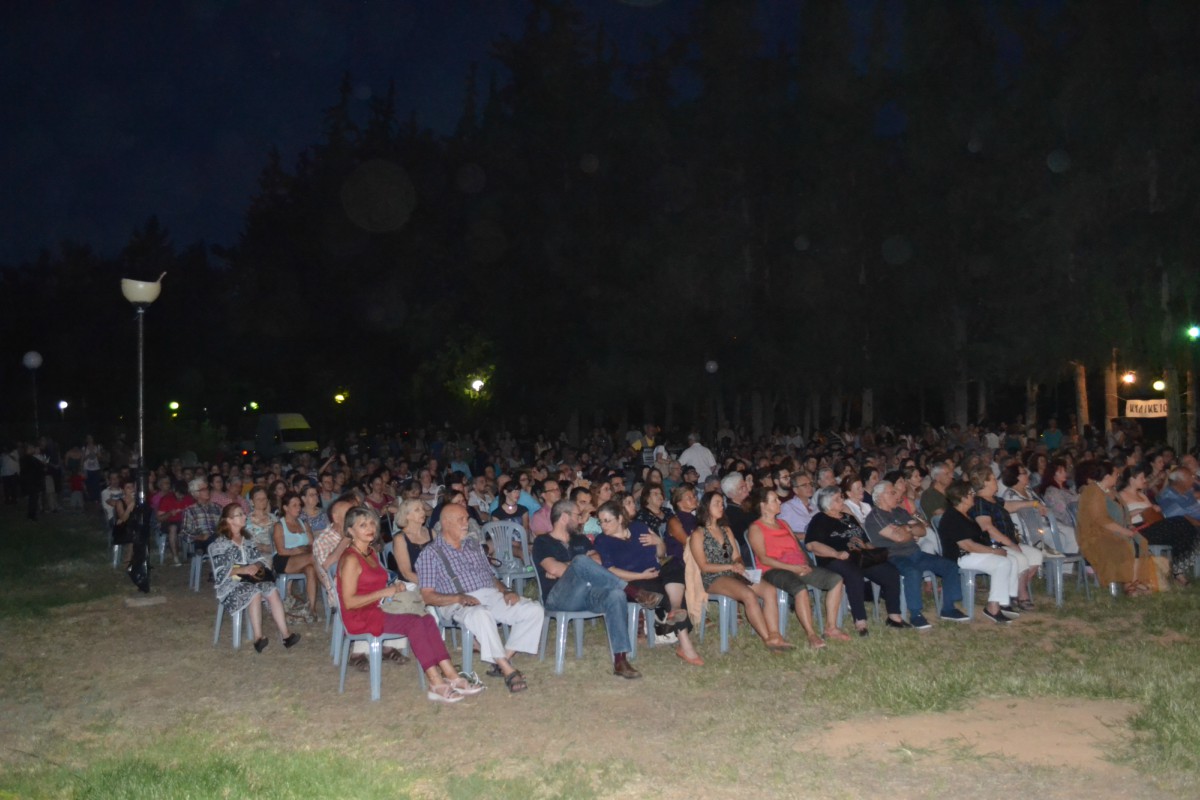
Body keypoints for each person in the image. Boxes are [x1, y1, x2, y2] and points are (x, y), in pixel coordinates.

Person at [338, 506, 482, 703]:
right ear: (350, 531)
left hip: (377, 608)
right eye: (362, 525)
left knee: (427, 619)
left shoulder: (369, 552)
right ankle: (435, 682)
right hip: (359, 616)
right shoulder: (350, 559)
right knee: (414, 623)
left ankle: (452, 676)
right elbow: (348, 602)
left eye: (372, 523)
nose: (370, 528)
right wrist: (384, 592)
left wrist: (392, 587)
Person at [417, 504, 545, 693]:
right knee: (481, 614)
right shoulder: (430, 553)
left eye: (466, 519)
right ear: (445, 523)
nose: (466, 523)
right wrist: (458, 597)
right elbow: (426, 596)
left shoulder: (473, 545)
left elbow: (491, 577)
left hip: (489, 595)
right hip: (455, 602)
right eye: (460, 519)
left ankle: (500, 661)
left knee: (534, 610)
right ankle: (508, 670)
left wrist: (506, 590)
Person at [534, 500, 671, 676]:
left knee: (615, 595)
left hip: (588, 594)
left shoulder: (581, 539)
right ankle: (634, 591)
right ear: (564, 517)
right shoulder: (543, 541)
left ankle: (620, 661)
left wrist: (570, 566)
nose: (582, 520)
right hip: (560, 598)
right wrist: (576, 565)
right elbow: (554, 569)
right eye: (578, 516)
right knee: (581, 561)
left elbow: (600, 562)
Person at [688, 491, 793, 651]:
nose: (721, 506)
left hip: (733, 573)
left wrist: (738, 564)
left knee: (769, 590)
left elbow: (737, 556)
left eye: (722, 503)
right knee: (748, 595)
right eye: (716, 503)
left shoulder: (726, 530)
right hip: (713, 578)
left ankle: (774, 634)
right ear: (706, 507)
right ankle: (767, 639)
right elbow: (704, 566)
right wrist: (730, 566)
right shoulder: (698, 534)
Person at [746, 487, 849, 647]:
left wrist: (806, 565)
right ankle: (811, 634)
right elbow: (764, 559)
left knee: (836, 580)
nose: (779, 501)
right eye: (774, 500)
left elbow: (798, 547)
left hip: (797, 565)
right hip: (773, 569)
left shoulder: (783, 524)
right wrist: (793, 568)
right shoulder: (756, 528)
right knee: (799, 588)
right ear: (763, 505)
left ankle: (831, 627)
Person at [863, 481, 968, 628]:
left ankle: (948, 608)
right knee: (912, 572)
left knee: (949, 566)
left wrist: (905, 528)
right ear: (880, 497)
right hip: (893, 556)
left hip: (915, 552)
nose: (896, 495)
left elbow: (922, 530)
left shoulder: (900, 511)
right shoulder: (875, 516)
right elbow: (898, 538)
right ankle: (915, 614)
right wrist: (909, 530)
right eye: (892, 493)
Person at [806, 486, 909, 635]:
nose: (842, 500)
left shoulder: (849, 517)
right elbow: (812, 545)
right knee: (854, 575)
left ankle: (894, 617)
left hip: (859, 557)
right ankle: (860, 621)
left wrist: (867, 547)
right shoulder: (820, 519)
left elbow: (866, 541)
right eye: (837, 499)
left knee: (890, 572)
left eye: (841, 497)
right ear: (827, 503)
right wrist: (836, 553)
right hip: (833, 560)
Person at [208, 503, 300, 652]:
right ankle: (258, 638)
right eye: (240, 514)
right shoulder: (219, 544)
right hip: (231, 583)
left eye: (243, 514)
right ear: (229, 520)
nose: (245, 516)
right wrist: (243, 569)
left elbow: (259, 559)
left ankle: (286, 635)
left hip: (251, 578)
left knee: (272, 590)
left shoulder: (247, 540)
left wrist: (256, 566)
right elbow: (220, 572)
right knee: (254, 592)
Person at [935, 481, 1017, 624]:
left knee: (1009, 560)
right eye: (971, 494)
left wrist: (993, 549)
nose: (974, 496)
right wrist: (993, 551)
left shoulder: (966, 515)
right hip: (961, 557)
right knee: (1002, 563)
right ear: (963, 497)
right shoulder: (952, 517)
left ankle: (1001, 602)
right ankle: (993, 606)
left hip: (973, 554)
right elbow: (967, 545)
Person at [1075, 460, 1158, 596]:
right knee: (1124, 543)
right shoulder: (1092, 491)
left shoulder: (1111, 491)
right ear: (1107, 477)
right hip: (1095, 535)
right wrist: (1124, 530)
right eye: (1116, 475)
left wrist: (1128, 525)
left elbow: (1123, 512)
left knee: (1140, 541)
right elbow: (1100, 520)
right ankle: (1128, 584)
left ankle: (1136, 581)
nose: (1118, 477)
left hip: (1113, 529)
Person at [966, 466, 1043, 612]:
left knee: (1035, 555)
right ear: (985, 483)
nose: (997, 481)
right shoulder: (980, 503)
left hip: (1009, 542)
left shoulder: (994, 500)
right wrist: (1011, 544)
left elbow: (1011, 506)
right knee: (1020, 558)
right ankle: (1020, 595)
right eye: (994, 479)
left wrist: (1034, 503)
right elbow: (988, 528)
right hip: (994, 545)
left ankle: (1016, 590)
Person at [1117, 465, 1197, 586]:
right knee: (1181, 522)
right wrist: (1138, 511)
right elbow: (1119, 517)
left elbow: (1153, 514)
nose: (1145, 481)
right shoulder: (1121, 496)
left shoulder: (1142, 495)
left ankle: (1178, 569)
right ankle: (1177, 570)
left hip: (1151, 525)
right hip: (1137, 530)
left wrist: (1155, 509)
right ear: (1132, 480)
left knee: (1185, 526)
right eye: (1142, 478)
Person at [271, 491, 319, 619]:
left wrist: (302, 550)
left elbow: (312, 545)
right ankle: (331, 588)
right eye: (294, 505)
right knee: (314, 558)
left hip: (303, 559)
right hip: (284, 560)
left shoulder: (304, 524)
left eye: (299, 505)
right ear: (285, 508)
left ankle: (312, 609)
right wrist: (297, 550)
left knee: (310, 568)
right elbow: (281, 550)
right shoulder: (279, 525)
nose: (298, 508)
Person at [392, 498, 433, 583]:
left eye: (423, 509)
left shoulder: (432, 533)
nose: (423, 512)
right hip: (412, 584)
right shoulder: (400, 539)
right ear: (407, 515)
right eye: (417, 510)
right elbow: (407, 574)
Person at [181, 477, 222, 554]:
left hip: (219, 538)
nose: (207, 491)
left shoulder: (217, 507)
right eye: (203, 490)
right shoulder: (190, 511)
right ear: (195, 493)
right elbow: (184, 533)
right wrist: (199, 537)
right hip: (203, 542)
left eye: (207, 488)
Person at [244, 486, 277, 557]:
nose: (262, 501)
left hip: (277, 553)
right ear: (251, 501)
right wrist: (265, 548)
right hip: (258, 557)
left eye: (264, 498)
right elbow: (251, 544)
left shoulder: (273, 518)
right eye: (258, 499)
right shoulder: (247, 521)